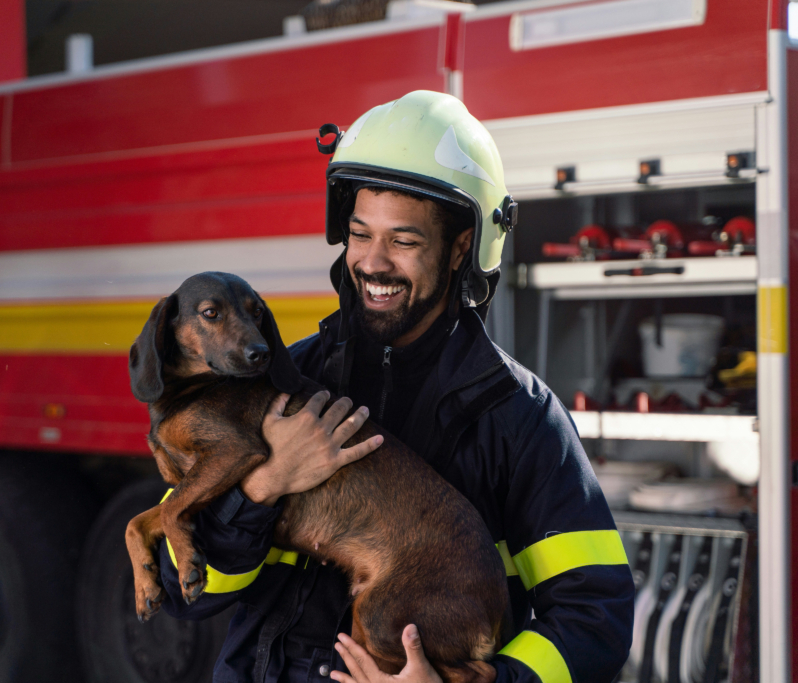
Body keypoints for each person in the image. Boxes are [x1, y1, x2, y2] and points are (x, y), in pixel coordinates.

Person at [156, 91, 635, 683]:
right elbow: (184, 594)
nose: (373, 263)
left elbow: (596, 620)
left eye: (403, 241)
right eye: (360, 235)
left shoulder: (517, 416)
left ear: (462, 248)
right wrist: (261, 486)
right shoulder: (275, 381)